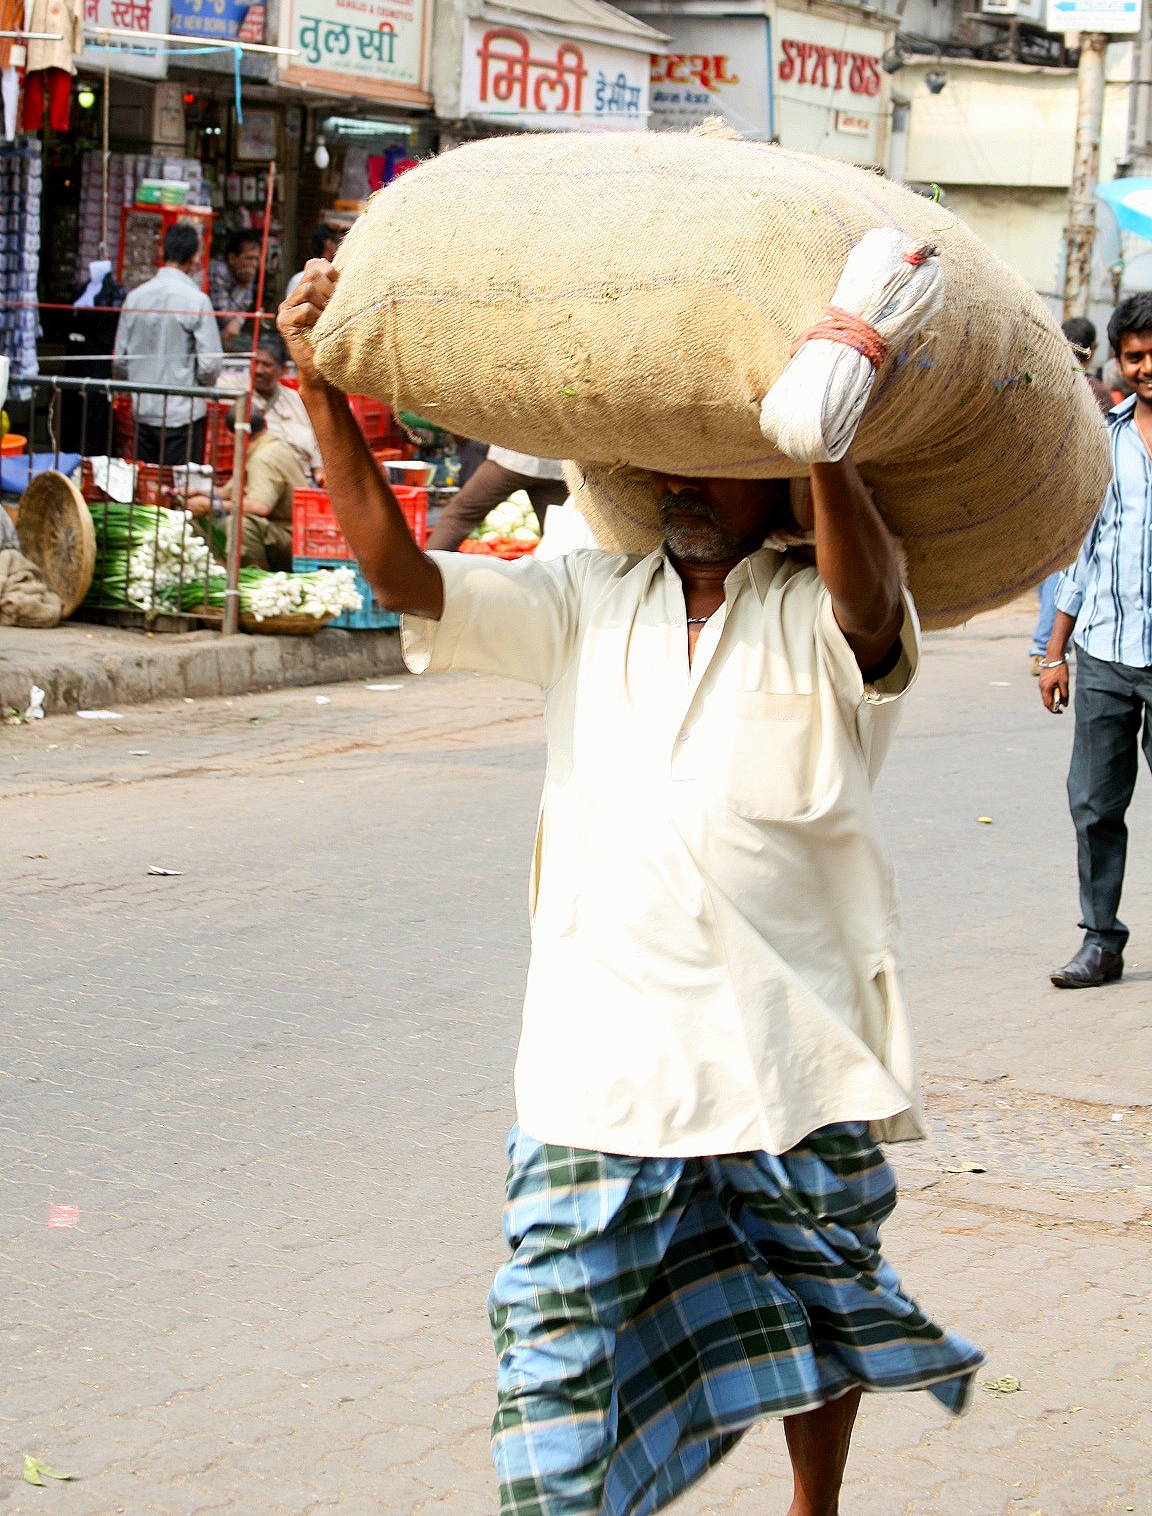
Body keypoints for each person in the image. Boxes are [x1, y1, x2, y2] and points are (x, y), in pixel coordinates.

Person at [278, 261, 983, 1516]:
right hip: (597, 1071)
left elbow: (873, 603)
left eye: (713, 463)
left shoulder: (827, 612)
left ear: (776, 495)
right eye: (666, 464)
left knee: (823, 1302)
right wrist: (322, 391)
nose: (680, 486)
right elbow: (398, 577)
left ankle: (812, 1508)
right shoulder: (579, 602)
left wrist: (823, 441)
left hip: (794, 1058)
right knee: (549, 1343)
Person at [1041, 292, 1152, 988]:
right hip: (1107, 652)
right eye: (1136, 356)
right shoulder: (1103, 440)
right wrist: (1054, 651)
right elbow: (1082, 554)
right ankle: (1100, 940)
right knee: (1095, 804)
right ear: (1119, 361)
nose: (1148, 367)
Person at [1029, 316, 1111, 674]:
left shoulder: (1040, 384)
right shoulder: (1099, 393)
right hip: (1081, 497)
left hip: (1047, 496)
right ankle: (1045, 644)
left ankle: (1045, 644)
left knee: (1052, 571)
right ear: (1090, 352)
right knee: (1064, 570)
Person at [112, 222, 222, 465]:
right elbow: (210, 365)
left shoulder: (135, 297)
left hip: (143, 410)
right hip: (183, 413)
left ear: (162, 252)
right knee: (179, 491)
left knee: (147, 489)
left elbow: (120, 359)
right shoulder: (197, 301)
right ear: (194, 259)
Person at [187, 404, 306, 571]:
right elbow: (232, 491)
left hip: (291, 536)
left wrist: (209, 505)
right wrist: (201, 494)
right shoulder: (268, 445)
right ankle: (220, 570)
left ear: (236, 435)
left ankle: (254, 578)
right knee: (203, 517)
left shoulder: (263, 458)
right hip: (285, 531)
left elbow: (260, 506)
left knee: (242, 524)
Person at [426, 446, 569, 552]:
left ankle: (425, 576)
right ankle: (563, 589)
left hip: (515, 457)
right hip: (559, 467)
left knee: (460, 515)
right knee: (558, 534)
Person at [251, 330, 323, 483]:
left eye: (267, 365)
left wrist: (318, 469)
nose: (258, 370)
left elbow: (316, 440)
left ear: (283, 370)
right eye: (255, 363)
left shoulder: (295, 398)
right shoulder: (242, 397)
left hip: (304, 480)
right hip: (267, 479)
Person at [209, 229, 263, 352]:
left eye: (256, 259)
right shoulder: (219, 269)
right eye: (249, 258)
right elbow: (224, 315)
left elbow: (242, 310)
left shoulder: (245, 273)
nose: (254, 264)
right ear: (232, 258)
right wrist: (243, 285)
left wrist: (236, 321)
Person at [285, 224, 341, 299]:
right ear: (329, 244)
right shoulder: (337, 279)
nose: (340, 247)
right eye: (338, 243)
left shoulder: (297, 278)